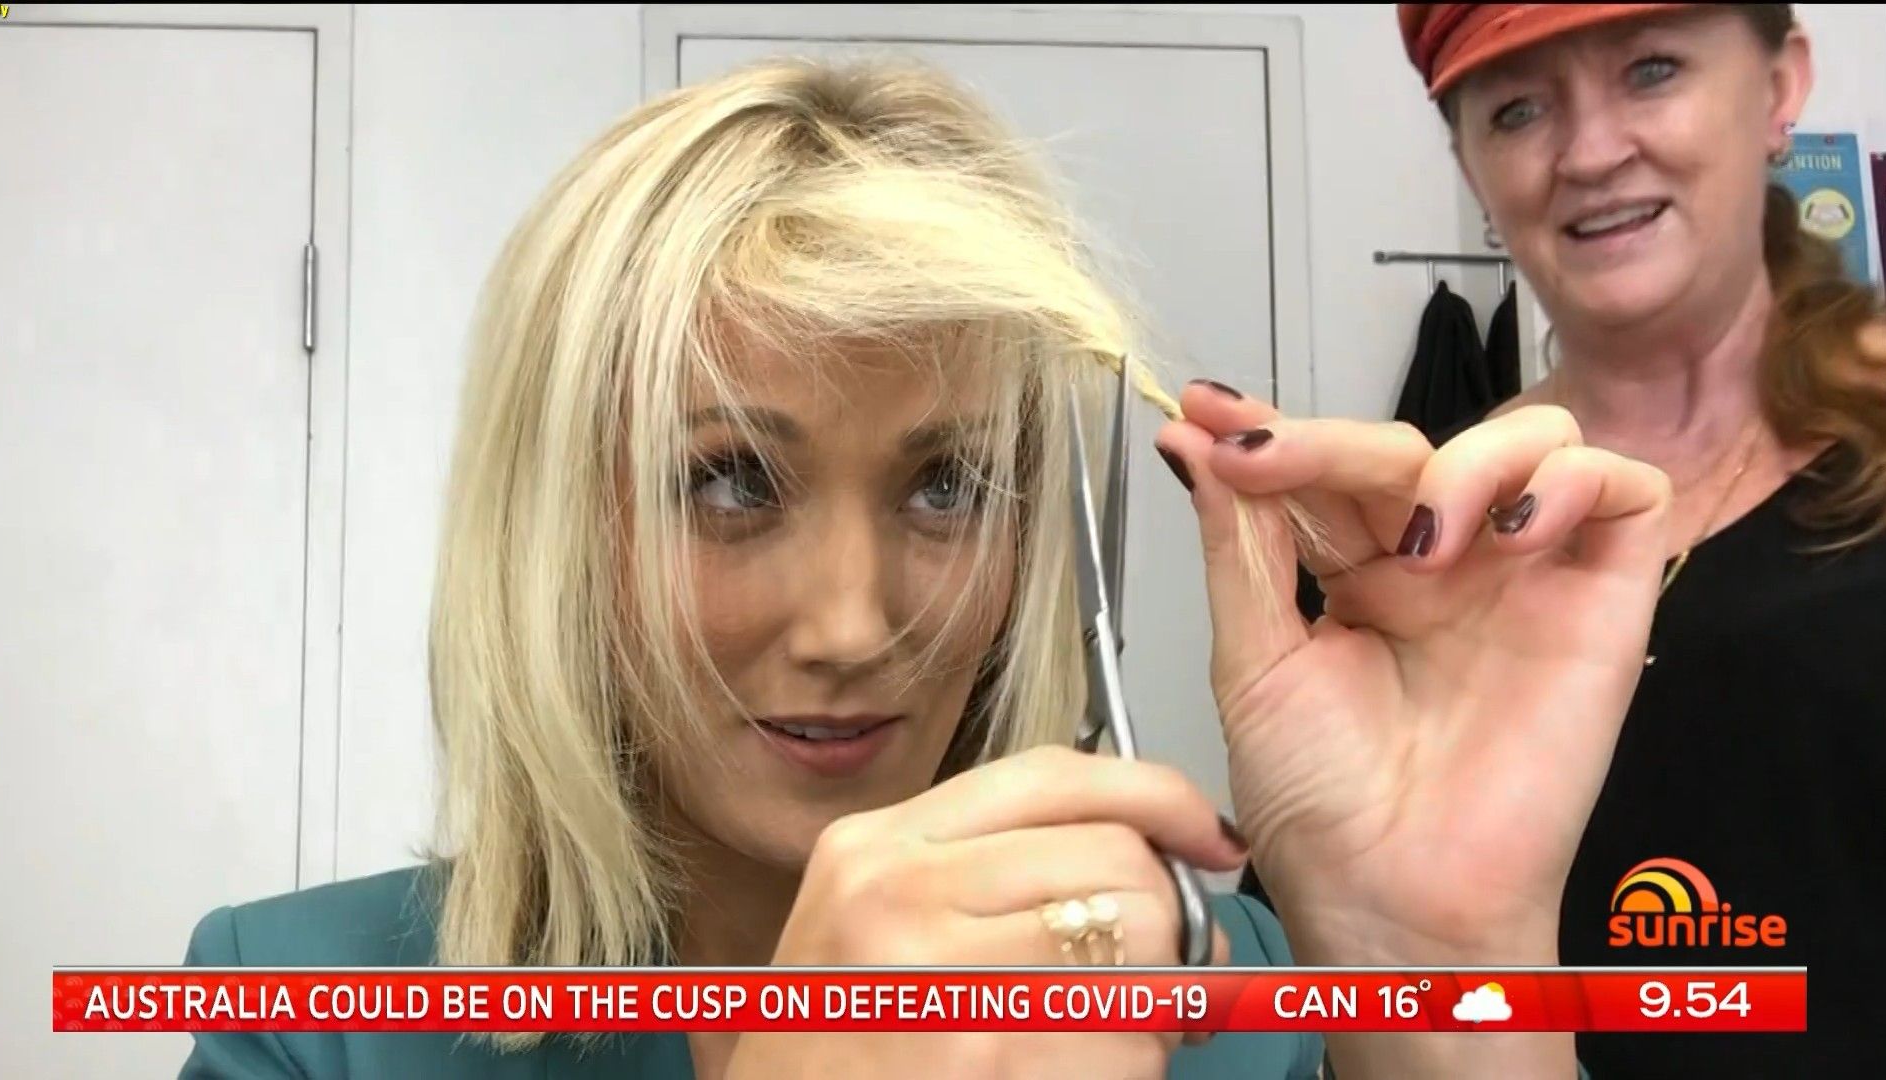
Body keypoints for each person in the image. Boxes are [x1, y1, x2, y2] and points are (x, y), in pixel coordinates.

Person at [180, 55, 1673, 1079]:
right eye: (730, 481)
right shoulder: (313, 1016)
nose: (853, 625)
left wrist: (1442, 969)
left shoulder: (1217, 996)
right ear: (564, 527)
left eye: (948, 486)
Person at [1268, 6, 1885, 1077]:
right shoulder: (1406, 552)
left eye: (1651, 70)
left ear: (1780, 86)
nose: (1591, 153)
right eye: (1517, 110)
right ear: (1470, 166)